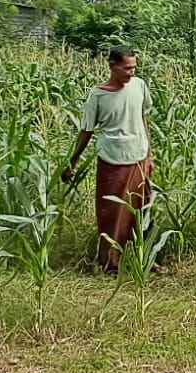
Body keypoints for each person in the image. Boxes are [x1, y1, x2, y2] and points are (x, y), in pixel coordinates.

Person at [63, 47, 153, 274]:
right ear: (112, 66)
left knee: (141, 210)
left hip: (138, 159)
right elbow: (86, 131)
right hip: (112, 161)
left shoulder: (139, 86)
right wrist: (72, 161)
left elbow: (143, 119)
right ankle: (110, 263)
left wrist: (150, 154)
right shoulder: (98, 96)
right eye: (127, 68)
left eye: (134, 67)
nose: (132, 72)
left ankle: (145, 259)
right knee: (111, 213)